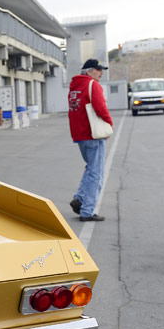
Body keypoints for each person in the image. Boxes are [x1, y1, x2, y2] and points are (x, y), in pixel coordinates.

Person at [68, 58, 113, 222]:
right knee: (96, 172)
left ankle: (79, 199)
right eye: (98, 69)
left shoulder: (74, 87)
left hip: (80, 135)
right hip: (93, 134)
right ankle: (87, 211)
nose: (101, 73)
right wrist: (109, 124)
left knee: (90, 168)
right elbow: (101, 107)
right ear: (89, 71)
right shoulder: (92, 85)